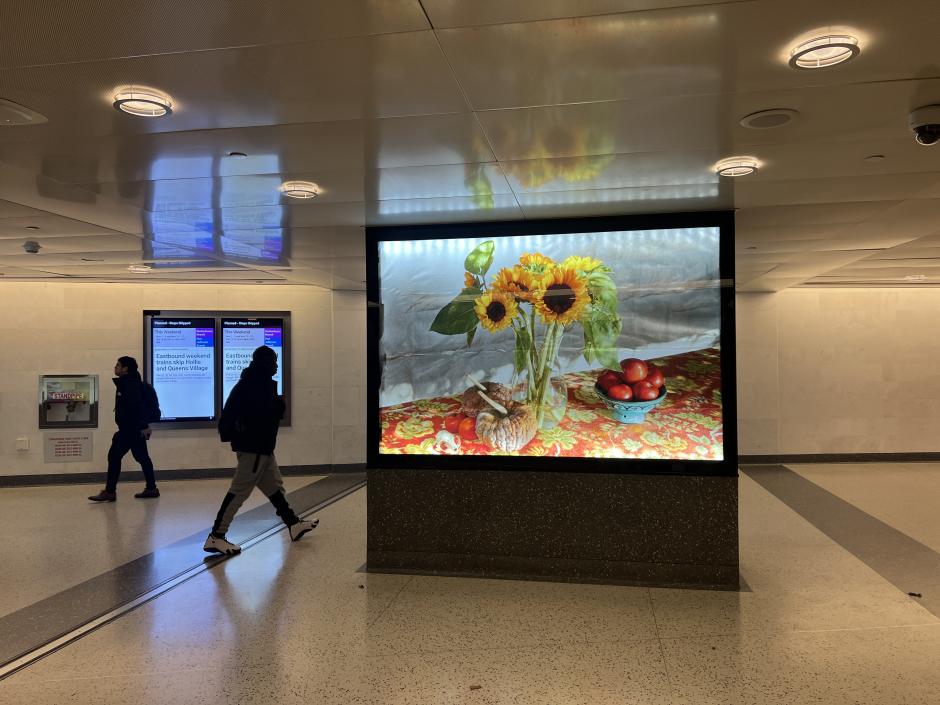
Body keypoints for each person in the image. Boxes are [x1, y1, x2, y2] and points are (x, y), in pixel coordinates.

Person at [204, 345, 317, 555]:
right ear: (265, 363)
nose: (276, 366)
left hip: (261, 446)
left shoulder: (255, 382)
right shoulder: (256, 385)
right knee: (239, 491)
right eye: (274, 362)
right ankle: (216, 536)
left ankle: (293, 524)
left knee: (274, 486)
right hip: (254, 447)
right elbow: (261, 417)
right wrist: (280, 406)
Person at [88, 356, 159, 502]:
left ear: (125, 368)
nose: (115, 367)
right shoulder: (129, 383)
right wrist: (143, 426)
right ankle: (151, 488)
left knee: (114, 457)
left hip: (130, 429)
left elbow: (136, 407)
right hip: (133, 429)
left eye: (118, 365)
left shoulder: (129, 385)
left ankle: (110, 491)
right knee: (142, 458)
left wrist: (143, 426)